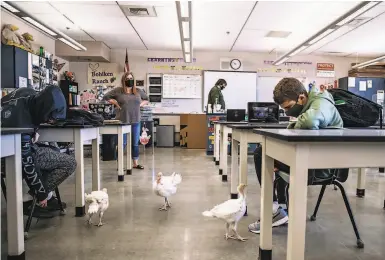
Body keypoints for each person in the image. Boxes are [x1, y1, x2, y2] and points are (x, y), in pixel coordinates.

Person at [248, 77, 344, 234]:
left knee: (261, 154)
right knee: (272, 154)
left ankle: (274, 211)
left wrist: (294, 123)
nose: (288, 112)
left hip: (320, 167)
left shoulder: (321, 103)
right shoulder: (310, 104)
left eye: (289, 107)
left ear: (301, 97)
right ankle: (280, 209)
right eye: (284, 110)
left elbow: (310, 121)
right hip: (311, 158)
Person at [1, 85, 77, 216]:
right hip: (10, 158)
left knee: (52, 150)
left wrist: (34, 132)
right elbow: (27, 163)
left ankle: (45, 195)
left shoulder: (26, 93)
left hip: (9, 151)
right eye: (49, 118)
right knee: (69, 162)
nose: (49, 121)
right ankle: (31, 199)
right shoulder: (22, 127)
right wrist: (41, 193)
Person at [104, 72, 149, 169]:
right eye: (127, 78)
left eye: (131, 78)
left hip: (136, 120)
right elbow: (106, 97)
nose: (130, 80)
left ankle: (135, 163)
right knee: (121, 143)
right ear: (124, 80)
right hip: (122, 121)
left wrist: (140, 105)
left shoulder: (138, 91)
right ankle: (119, 165)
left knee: (135, 143)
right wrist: (115, 103)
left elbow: (146, 99)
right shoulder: (118, 91)